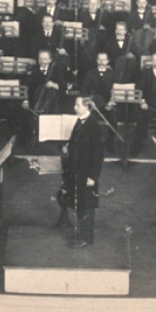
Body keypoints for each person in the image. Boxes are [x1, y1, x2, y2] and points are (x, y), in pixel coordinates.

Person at [56, 95, 105, 247]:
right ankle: (82, 235)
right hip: (76, 171)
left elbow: (98, 156)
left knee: (86, 206)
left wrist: (92, 177)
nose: (74, 107)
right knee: (78, 203)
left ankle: (86, 239)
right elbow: (74, 140)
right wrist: (68, 147)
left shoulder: (94, 127)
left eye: (77, 105)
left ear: (87, 107)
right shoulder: (79, 121)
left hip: (86, 174)